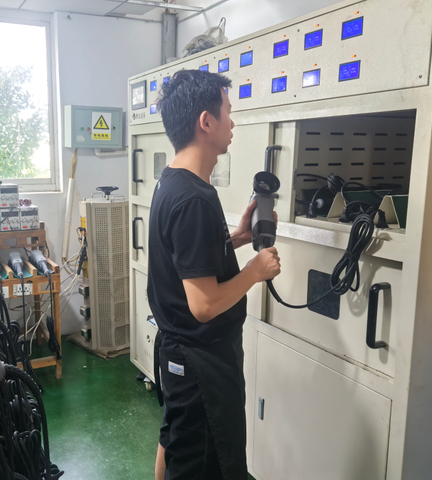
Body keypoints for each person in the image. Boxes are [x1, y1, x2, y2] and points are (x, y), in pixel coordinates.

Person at [148, 69, 281, 480]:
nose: (233, 122)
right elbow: (204, 304)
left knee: (175, 440)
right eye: (228, 111)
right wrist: (255, 271)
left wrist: (237, 239)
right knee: (206, 464)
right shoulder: (194, 199)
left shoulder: (172, 183)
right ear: (206, 122)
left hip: (178, 354)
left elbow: (187, 261)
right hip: (201, 363)